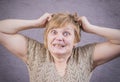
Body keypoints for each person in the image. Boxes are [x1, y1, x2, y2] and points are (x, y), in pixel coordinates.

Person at [0, 12, 120, 82]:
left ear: (75, 41)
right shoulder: (34, 52)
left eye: (66, 33)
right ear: (46, 37)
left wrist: (91, 28)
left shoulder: (86, 56)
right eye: (53, 32)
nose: (59, 38)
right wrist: (35, 23)